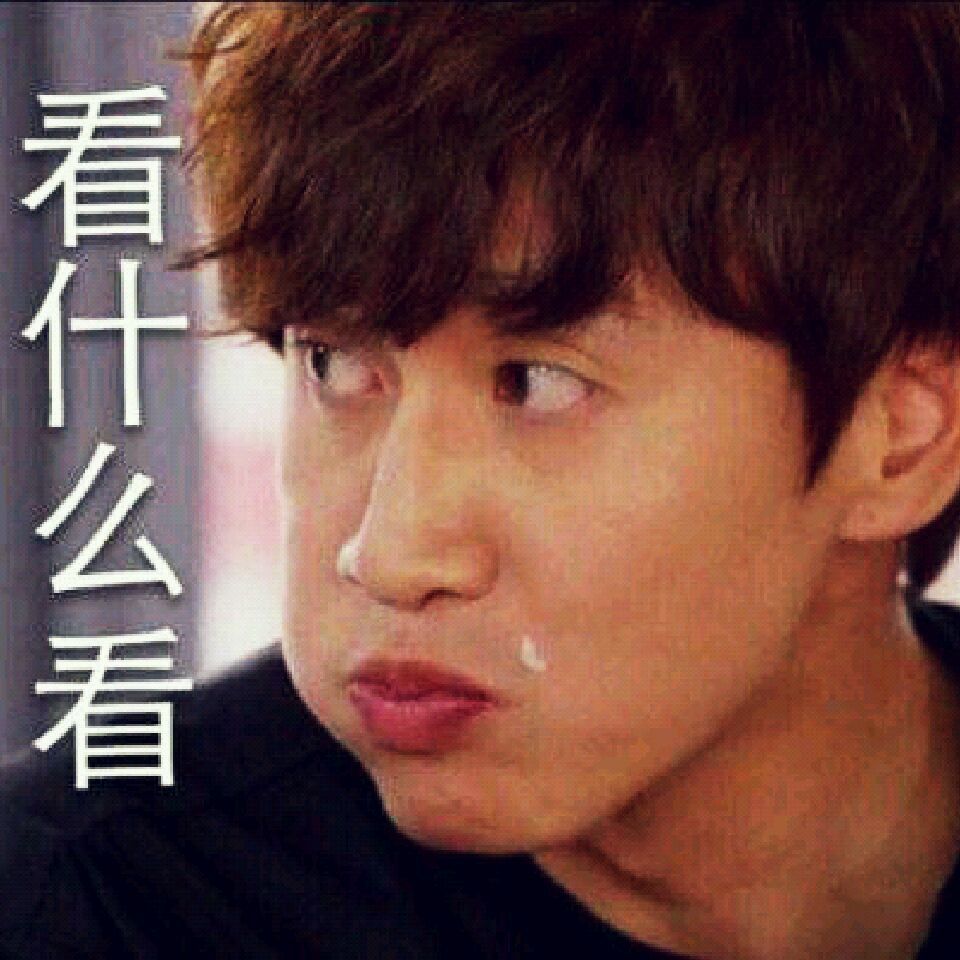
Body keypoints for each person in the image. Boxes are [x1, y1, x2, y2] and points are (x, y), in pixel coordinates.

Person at [4, 2, 960, 957]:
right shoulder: (96, 905)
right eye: (334, 364)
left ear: (904, 439)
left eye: (537, 383)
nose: (391, 554)